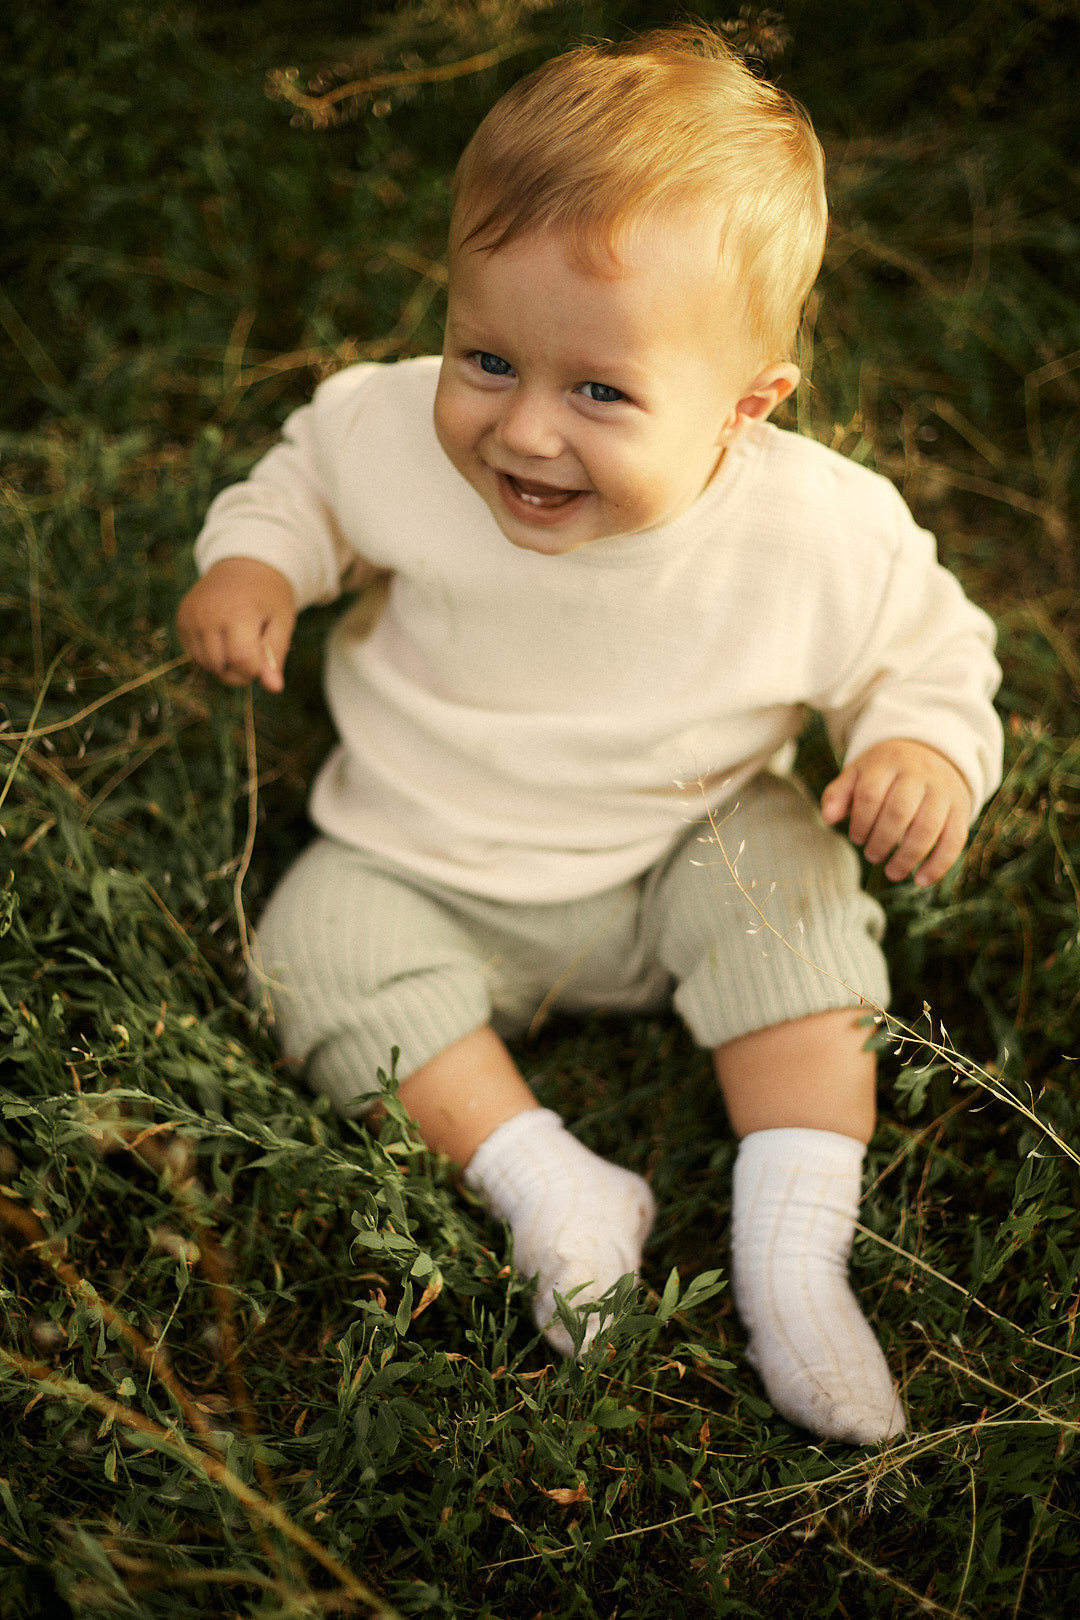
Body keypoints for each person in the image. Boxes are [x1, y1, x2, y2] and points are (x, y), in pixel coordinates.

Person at [176, 25, 1002, 1446]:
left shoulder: (817, 534)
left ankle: (793, 1250)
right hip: (423, 849)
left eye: (601, 392)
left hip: (687, 840)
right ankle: (547, 1181)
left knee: (799, 898)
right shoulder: (392, 434)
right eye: (488, 358)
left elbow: (928, 654)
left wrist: (919, 750)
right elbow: (300, 483)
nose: (525, 433)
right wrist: (256, 561)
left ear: (745, 409)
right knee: (315, 943)